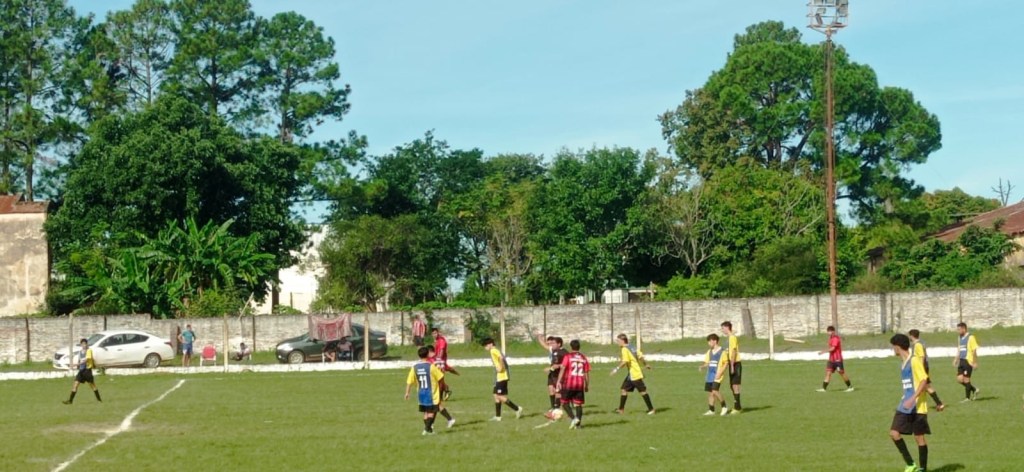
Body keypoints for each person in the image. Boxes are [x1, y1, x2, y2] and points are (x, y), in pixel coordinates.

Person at [888, 333, 931, 472]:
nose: (893, 349)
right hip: (905, 405)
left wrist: (912, 398)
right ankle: (910, 463)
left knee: (919, 437)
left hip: (917, 406)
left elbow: (924, 380)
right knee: (894, 433)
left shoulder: (914, 360)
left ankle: (922, 469)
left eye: (893, 346)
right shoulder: (904, 363)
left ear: (898, 347)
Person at [405, 346, 445, 435]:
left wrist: (407, 392)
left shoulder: (414, 367)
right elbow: (440, 377)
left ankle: (429, 431)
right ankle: (426, 429)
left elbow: (409, 381)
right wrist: (442, 387)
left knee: (426, 412)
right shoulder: (431, 367)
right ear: (427, 354)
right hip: (431, 393)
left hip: (421, 393)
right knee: (431, 412)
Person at [611, 333, 655, 415]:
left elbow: (625, 361)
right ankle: (621, 409)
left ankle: (651, 409)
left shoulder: (624, 349)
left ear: (623, 341)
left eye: (618, 341)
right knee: (624, 390)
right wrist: (646, 364)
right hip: (631, 374)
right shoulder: (632, 347)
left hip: (635, 374)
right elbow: (640, 356)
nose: (617, 343)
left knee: (643, 391)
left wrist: (616, 369)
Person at [483, 337, 523, 421]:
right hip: (499, 376)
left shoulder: (493, 350)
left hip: (502, 376)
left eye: (486, 345)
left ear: (490, 344)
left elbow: (501, 358)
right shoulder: (494, 350)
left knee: (499, 396)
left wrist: (501, 367)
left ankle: (517, 408)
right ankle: (498, 417)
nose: (485, 347)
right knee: (495, 395)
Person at [555, 339, 590, 429]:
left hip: (569, 384)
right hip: (580, 384)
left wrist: (558, 381)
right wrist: (586, 385)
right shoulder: (583, 358)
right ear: (579, 347)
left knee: (564, 402)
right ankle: (578, 425)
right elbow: (586, 373)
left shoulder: (568, 356)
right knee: (578, 404)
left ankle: (574, 418)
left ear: (571, 347)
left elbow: (563, 369)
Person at [908, 329, 945, 411]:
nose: (909, 337)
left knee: (925, 386)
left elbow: (922, 357)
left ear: (911, 336)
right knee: (924, 386)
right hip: (920, 368)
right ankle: (937, 403)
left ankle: (939, 403)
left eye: (909, 336)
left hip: (922, 368)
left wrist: (921, 369)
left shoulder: (918, 345)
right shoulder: (917, 344)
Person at [63, 338, 102, 404]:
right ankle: (70, 401)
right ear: (81, 345)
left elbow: (86, 360)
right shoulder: (80, 352)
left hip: (87, 371)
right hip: (81, 371)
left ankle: (99, 400)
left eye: (85, 344)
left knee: (93, 386)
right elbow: (79, 360)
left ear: (87, 344)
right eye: (83, 344)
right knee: (75, 385)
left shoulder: (89, 351)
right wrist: (77, 366)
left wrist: (76, 364)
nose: (84, 345)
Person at [426, 345, 457, 428]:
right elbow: (447, 368)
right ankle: (431, 424)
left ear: (429, 351)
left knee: (436, 404)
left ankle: (450, 419)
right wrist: (455, 372)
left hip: (435, 385)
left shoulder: (430, 361)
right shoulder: (440, 360)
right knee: (436, 404)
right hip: (442, 383)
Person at [537, 334, 567, 417]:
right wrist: (539, 338)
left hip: (559, 374)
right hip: (553, 373)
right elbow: (545, 346)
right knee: (551, 389)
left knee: (558, 391)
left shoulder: (564, 352)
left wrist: (551, 368)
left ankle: (557, 410)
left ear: (559, 344)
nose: (551, 345)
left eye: (553, 343)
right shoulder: (554, 350)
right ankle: (554, 408)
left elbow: (564, 364)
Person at [699, 334, 729, 416]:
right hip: (710, 375)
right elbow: (708, 362)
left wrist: (720, 373)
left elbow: (726, 363)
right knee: (711, 393)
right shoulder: (709, 352)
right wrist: (702, 366)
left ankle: (724, 407)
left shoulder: (722, 352)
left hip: (717, 375)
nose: (708, 343)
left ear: (715, 341)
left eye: (710, 341)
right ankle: (711, 410)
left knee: (715, 391)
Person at [817, 326, 854, 392]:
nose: (829, 333)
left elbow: (833, 348)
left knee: (841, 373)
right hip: (831, 360)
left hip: (837, 360)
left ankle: (850, 387)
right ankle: (823, 388)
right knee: (828, 373)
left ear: (833, 331)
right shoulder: (831, 338)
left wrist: (823, 351)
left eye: (830, 331)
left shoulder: (835, 338)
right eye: (828, 331)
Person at [954, 322, 979, 402]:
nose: (958, 331)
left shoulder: (971, 337)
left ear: (964, 329)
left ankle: (967, 398)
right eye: (957, 329)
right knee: (959, 379)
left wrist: (974, 362)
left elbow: (974, 350)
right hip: (961, 360)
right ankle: (974, 389)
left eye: (959, 329)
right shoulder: (959, 337)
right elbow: (959, 348)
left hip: (968, 360)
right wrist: (956, 359)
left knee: (966, 379)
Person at [430, 327, 459, 399]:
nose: (434, 335)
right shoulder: (435, 341)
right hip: (436, 362)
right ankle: (446, 389)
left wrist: (438, 359)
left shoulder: (441, 340)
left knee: (439, 379)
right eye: (433, 333)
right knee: (437, 379)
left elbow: (442, 350)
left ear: (438, 333)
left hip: (440, 362)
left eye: (435, 333)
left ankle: (440, 397)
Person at [720, 321, 742, 413]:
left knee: (735, 385)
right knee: (732, 385)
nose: (722, 330)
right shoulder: (729, 338)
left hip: (735, 363)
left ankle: (737, 407)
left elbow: (733, 351)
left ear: (727, 327)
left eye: (722, 328)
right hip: (731, 363)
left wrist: (732, 365)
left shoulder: (732, 338)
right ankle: (738, 406)